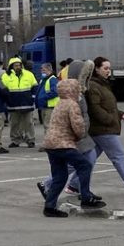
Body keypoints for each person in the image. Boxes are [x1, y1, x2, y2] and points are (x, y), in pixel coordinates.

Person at [41, 79, 106, 217]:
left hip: (51, 144)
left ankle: (49, 206)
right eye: (78, 89)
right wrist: (81, 135)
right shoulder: (72, 104)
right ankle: (86, 197)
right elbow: (78, 126)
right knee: (85, 166)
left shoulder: (60, 102)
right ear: (73, 90)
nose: (80, 92)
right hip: (63, 144)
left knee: (60, 176)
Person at [80, 56, 124, 195]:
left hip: (101, 129)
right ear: (96, 69)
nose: (109, 71)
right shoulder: (94, 86)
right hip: (103, 129)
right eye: (105, 68)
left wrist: (119, 114)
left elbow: (107, 106)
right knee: (118, 156)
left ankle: (73, 185)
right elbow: (95, 108)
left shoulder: (102, 84)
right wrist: (110, 119)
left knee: (87, 159)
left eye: (109, 68)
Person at [38, 60, 99, 199]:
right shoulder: (73, 94)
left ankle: (80, 189)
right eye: (86, 73)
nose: (89, 76)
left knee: (87, 160)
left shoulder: (80, 92)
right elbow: (76, 118)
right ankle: (80, 192)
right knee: (83, 162)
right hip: (75, 136)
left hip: (79, 135)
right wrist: (80, 133)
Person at [2, 57, 38, 148]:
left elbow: (34, 87)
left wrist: (32, 98)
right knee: (14, 123)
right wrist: (7, 100)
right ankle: (15, 140)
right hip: (13, 104)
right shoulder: (5, 76)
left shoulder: (29, 74)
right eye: (15, 65)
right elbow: (3, 90)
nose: (18, 67)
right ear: (11, 66)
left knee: (29, 123)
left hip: (27, 103)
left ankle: (30, 140)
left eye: (19, 65)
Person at [36, 63, 59, 142]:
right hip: (45, 105)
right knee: (47, 125)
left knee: (48, 126)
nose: (42, 71)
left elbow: (55, 92)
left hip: (50, 106)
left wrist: (43, 97)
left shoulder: (52, 79)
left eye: (43, 70)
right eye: (41, 69)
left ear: (49, 70)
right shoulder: (44, 79)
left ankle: (49, 143)